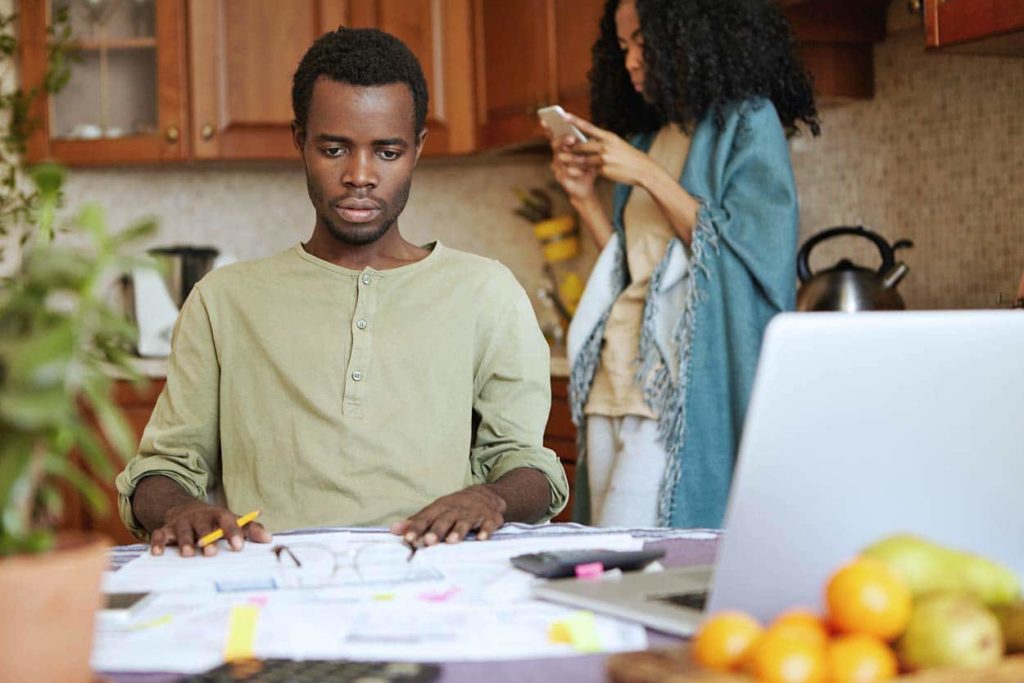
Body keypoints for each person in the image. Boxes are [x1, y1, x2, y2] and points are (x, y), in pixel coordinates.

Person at [116, 27, 568, 557]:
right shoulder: (223, 300)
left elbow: (530, 467)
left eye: (387, 151)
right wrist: (179, 509)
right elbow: (161, 469)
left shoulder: (486, 292)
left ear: (418, 148)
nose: (360, 175)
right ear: (299, 141)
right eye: (334, 149)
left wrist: (490, 497)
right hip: (272, 577)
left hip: (436, 577)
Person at [547, 0, 819, 528]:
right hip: (613, 377)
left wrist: (647, 175)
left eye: (642, 43)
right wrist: (582, 198)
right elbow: (630, 270)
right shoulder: (652, 136)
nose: (630, 61)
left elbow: (755, 254)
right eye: (622, 47)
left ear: (690, 34)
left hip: (673, 390)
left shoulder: (745, 122)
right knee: (600, 558)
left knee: (641, 559)